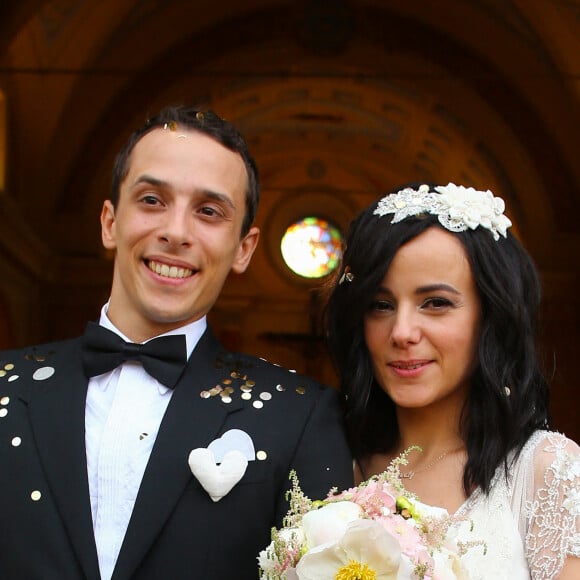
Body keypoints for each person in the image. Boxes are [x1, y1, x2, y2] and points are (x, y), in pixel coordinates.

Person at [0, 106, 353, 580]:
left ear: (244, 248)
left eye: (208, 211)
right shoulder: (7, 385)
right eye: (151, 200)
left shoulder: (303, 416)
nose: (176, 232)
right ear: (109, 222)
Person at [325, 182, 579, 579]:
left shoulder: (547, 471)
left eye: (436, 303)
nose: (402, 331)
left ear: (490, 318)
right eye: (381, 305)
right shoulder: (333, 463)